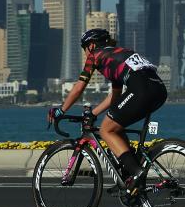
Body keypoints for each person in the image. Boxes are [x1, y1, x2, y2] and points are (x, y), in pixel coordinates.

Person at [47, 28, 167, 195]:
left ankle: (136, 173)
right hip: (159, 90)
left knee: (106, 130)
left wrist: (61, 110)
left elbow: (79, 87)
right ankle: (127, 176)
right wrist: (94, 113)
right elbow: (115, 96)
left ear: (92, 45)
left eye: (85, 48)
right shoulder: (119, 55)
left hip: (142, 90)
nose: (85, 52)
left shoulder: (95, 55)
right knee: (116, 126)